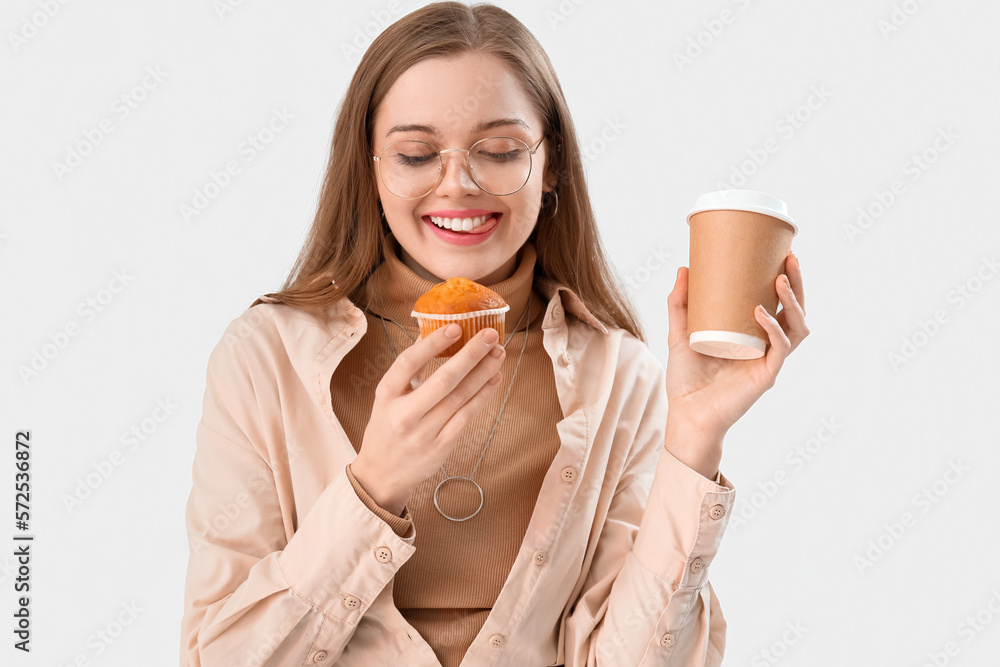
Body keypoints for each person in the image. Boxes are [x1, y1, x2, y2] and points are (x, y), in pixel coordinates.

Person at [179, 2, 810, 666]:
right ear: (368, 167)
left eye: (501, 150)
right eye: (417, 153)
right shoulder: (263, 359)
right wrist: (373, 486)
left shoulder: (619, 376)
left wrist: (694, 437)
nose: (460, 183)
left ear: (553, 164)